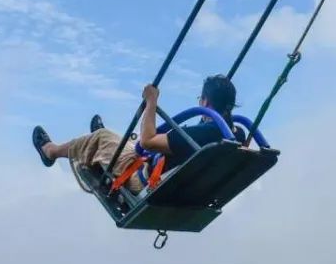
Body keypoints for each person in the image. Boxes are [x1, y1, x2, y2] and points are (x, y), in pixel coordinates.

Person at [31, 75, 241, 193]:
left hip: (143, 180)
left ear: (205, 102)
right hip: (180, 184)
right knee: (120, 142)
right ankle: (104, 143)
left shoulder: (200, 135)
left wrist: (151, 102)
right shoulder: (234, 135)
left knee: (103, 137)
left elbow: (148, 141)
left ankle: (51, 151)